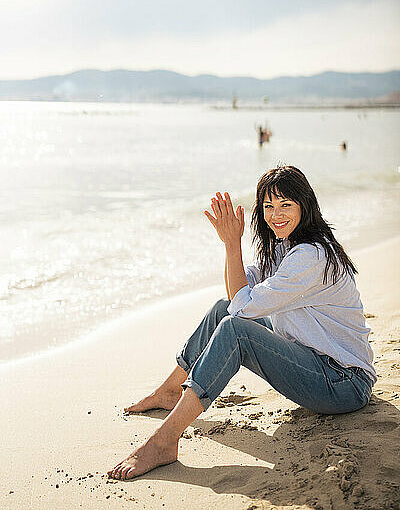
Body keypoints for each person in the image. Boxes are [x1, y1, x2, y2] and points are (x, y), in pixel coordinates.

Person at [108, 165, 376, 481]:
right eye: (268, 207)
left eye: (286, 205)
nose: (276, 215)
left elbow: (244, 309)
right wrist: (230, 245)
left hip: (342, 382)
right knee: (224, 310)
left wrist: (232, 244)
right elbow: (237, 294)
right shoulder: (284, 244)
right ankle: (169, 392)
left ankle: (163, 442)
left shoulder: (310, 256)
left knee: (235, 328)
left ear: (305, 206)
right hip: (316, 363)